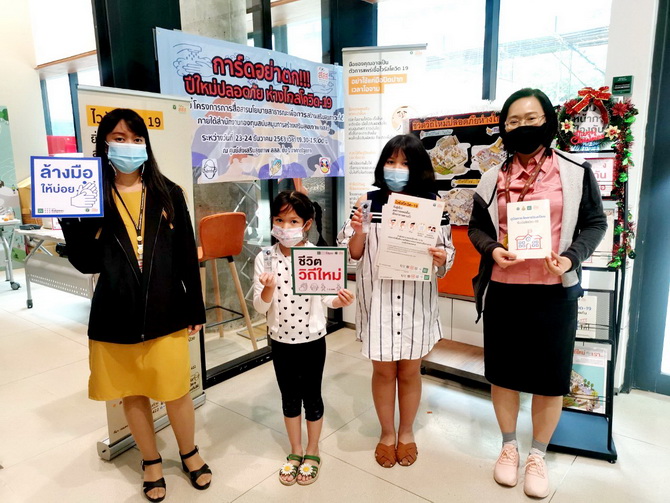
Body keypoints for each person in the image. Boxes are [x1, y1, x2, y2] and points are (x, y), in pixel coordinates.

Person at [60, 108, 211, 502]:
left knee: (176, 390)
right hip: (116, 311)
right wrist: (69, 220)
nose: (128, 145)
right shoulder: (89, 196)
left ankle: (189, 453)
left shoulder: (169, 193)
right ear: (104, 144)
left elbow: (186, 255)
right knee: (132, 393)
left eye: (136, 138)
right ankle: (151, 462)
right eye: (119, 138)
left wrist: (195, 307)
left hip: (166, 309)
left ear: (146, 144)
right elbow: (87, 263)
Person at [468, 88, 607, 498]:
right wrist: (492, 250)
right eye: (513, 121)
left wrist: (572, 257)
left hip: (554, 293)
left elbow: (595, 223)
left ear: (548, 120)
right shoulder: (492, 177)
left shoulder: (575, 171)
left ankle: (538, 455)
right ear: (503, 128)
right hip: (505, 291)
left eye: (531, 118)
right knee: (504, 375)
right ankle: (509, 446)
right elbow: (477, 229)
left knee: (550, 379)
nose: (522, 127)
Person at [337, 134, 455, 468]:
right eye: (391, 161)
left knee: (410, 371)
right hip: (379, 304)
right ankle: (387, 433)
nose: (397, 168)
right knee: (383, 371)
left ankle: (407, 432)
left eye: (405, 163)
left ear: (418, 168)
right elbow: (354, 253)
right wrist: (359, 230)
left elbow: (447, 252)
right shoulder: (367, 201)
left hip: (416, 303)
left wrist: (441, 256)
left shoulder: (433, 204)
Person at [253, 190, 355, 486]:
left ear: (306, 224)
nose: (285, 227)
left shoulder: (317, 256)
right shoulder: (265, 258)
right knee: (288, 397)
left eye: (293, 221)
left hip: (312, 340)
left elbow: (327, 299)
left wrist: (340, 301)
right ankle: (295, 450)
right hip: (280, 340)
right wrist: (268, 288)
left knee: (312, 395)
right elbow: (260, 307)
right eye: (279, 220)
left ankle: (312, 450)